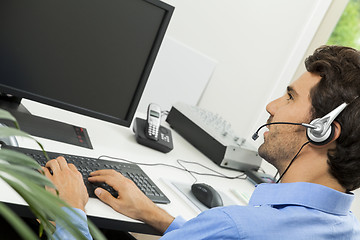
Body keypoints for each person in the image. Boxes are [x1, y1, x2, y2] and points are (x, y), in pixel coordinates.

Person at [44, 45, 360, 239]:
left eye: (290, 97)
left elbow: (230, 233)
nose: (272, 106)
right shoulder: (348, 230)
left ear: (320, 130)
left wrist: (69, 208)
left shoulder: (236, 227)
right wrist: (152, 213)